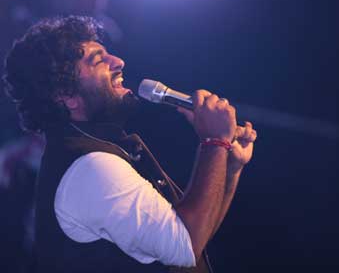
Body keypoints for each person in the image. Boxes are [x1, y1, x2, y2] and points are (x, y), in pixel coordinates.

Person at [2, 15, 257, 272]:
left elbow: (192, 236)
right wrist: (214, 142)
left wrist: (228, 165)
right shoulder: (91, 167)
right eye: (99, 60)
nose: (118, 61)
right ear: (67, 96)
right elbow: (187, 244)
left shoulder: (95, 153)